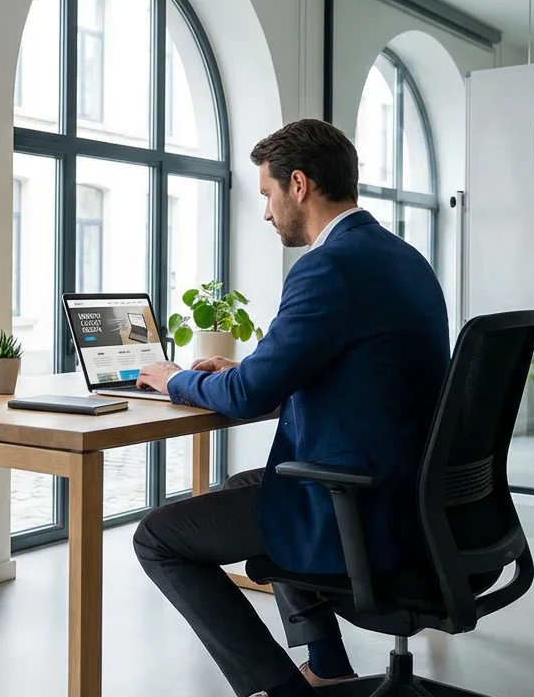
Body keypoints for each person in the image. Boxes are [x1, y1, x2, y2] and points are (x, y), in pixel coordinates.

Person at [134, 119, 450, 697]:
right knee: (243, 482)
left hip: (366, 501)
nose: (265, 212)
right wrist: (246, 371)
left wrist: (174, 378)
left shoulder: (327, 266)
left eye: (266, 194)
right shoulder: (404, 258)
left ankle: (278, 691)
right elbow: (356, 372)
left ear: (298, 184)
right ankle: (327, 663)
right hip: (419, 494)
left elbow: (249, 398)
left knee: (157, 538)